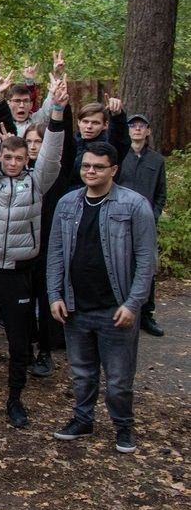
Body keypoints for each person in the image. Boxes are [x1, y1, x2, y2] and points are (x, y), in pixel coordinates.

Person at [0, 80, 67, 424]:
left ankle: (15, 399)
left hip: (19, 274)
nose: (12, 162)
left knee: (19, 342)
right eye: (7, 156)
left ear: (26, 159)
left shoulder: (37, 182)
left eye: (19, 158)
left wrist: (57, 111)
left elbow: (52, 154)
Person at [46, 142, 157, 454]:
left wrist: (133, 303)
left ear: (114, 170)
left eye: (98, 167)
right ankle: (83, 420)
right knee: (82, 374)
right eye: (86, 166)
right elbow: (55, 253)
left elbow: (146, 261)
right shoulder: (67, 204)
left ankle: (123, 426)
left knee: (119, 379)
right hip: (75, 307)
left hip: (116, 309)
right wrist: (54, 295)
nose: (90, 172)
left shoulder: (134, 205)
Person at [115, 113, 167, 337]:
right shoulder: (119, 156)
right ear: (128, 130)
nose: (137, 129)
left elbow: (161, 193)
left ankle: (146, 314)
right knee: (119, 263)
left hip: (146, 223)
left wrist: (153, 216)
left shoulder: (157, 160)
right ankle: (121, 309)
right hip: (119, 221)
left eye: (142, 125)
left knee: (146, 267)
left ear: (148, 131)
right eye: (133, 125)